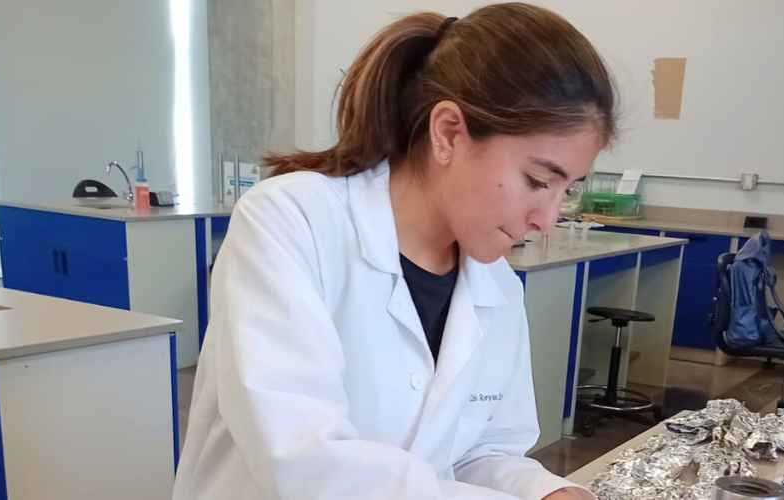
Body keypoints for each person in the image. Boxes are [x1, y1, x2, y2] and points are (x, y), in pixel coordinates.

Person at [174, 3, 616, 499]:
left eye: (567, 189)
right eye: (537, 181)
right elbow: (303, 463)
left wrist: (544, 491)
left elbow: (480, 453)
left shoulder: (497, 289)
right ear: (448, 133)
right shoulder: (292, 221)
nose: (547, 220)